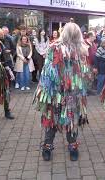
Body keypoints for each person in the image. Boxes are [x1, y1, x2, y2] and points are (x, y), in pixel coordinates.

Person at [33, 22, 89, 161]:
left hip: (73, 93)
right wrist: (47, 92)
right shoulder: (55, 48)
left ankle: (72, 146)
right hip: (56, 92)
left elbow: (84, 73)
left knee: (71, 120)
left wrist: (81, 89)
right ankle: (47, 146)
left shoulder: (82, 49)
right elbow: (46, 71)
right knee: (53, 120)